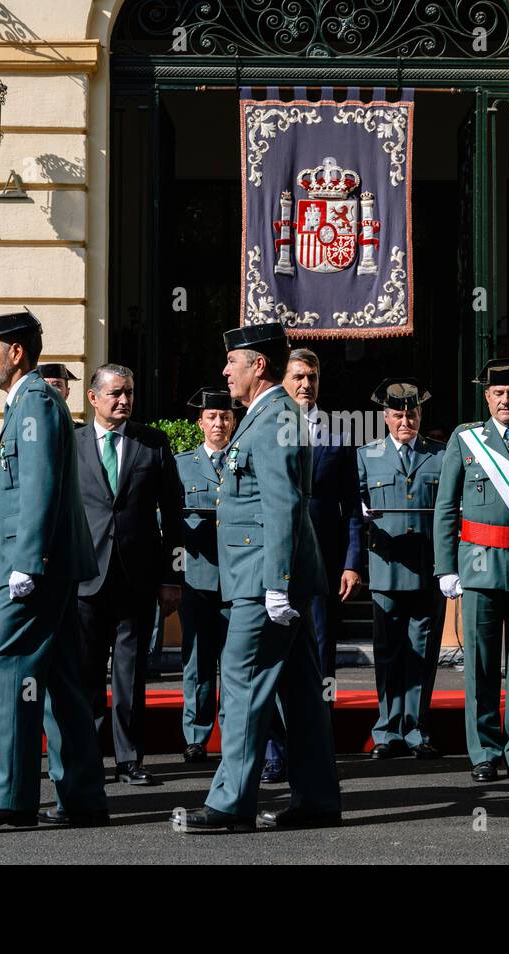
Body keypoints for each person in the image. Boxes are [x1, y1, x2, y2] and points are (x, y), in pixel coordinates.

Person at [181, 322, 340, 832]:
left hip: (262, 580)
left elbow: (283, 504)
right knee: (300, 695)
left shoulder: (273, 418)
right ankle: (317, 798)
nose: (225, 370)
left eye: (234, 361)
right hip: (268, 578)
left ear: (259, 366)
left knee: (244, 683)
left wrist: (275, 583)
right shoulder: (267, 416)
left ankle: (231, 803)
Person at [0, 309, 107, 829]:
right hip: (45, 564)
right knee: (61, 680)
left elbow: (38, 484)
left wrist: (27, 562)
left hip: (33, 565)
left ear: (16, 353)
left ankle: (11, 799)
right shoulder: (28, 402)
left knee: (6, 669)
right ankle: (82, 797)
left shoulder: (35, 402)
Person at [433, 357, 509, 783]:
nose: (506, 400)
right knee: (479, 667)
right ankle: (483, 752)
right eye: (498, 393)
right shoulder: (467, 441)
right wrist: (446, 565)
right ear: (487, 397)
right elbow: (446, 507)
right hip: (479, 568)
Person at [74, 363, 184, 785]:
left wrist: (172, 577)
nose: (124, 400)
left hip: (137, 577)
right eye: (116, 393)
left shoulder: (152, 444)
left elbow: (174, 515)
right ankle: (86, 756)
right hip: (85, 576)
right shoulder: (73, 441)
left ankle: (129, 758)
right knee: (85, 672)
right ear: (93, 398)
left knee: (130, 672)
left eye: (130, 393)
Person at [262, 347, 365, 784]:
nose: (306, 385)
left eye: (313, 377)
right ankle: (273, 754)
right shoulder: (265, 426)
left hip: (321, 570)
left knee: (319, 662)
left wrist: (352, 563)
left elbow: (353, 508)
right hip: (272, 567)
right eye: (299, 376)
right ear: (283, 380)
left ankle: (316, 751)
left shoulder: (340, 433)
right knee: (268, 659)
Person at [358, 378, 445, 759]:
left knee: (422, 655)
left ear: (420, 415)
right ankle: (386, 730)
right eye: (397, 415)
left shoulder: (440, 455)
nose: (404, 421)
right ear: (386, 417)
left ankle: (416, 729)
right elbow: (354, 506)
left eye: (411, 414)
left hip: (428, 568)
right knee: (388, 653)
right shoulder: (367, 455)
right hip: (386, 568)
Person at [175, 387, 240, 761]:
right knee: (197, 660)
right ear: (200, 422)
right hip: (197, 577)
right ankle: (196, 735)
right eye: (212, 417)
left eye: (225, 417)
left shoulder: (243, 460)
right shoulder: (183, 465)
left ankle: (232, 732)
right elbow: (166, 518)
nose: (219, 423)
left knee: (234, 660)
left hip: (236, 577)